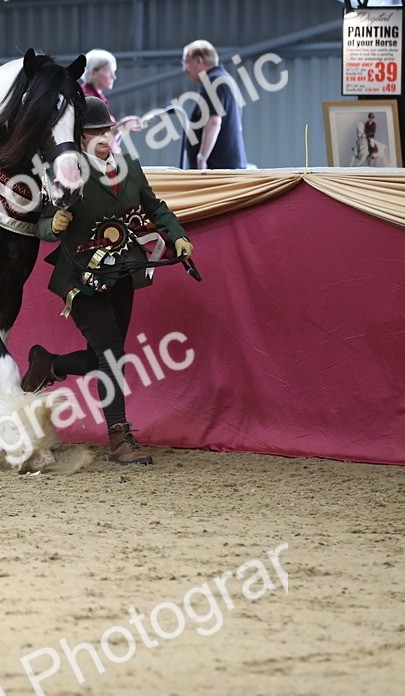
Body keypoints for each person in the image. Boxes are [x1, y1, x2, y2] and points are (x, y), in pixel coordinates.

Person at [22, 96, 194, 465]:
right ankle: (119, 438)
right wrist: (53, 225)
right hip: (81, 278)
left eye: (108, 130)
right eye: (94, 132)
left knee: (104, 355)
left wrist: (175, 234)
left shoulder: (129, 167)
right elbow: (41, 224)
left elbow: (154, 206)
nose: (103, 137)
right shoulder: (66, 173)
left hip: (123, 274)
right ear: (81, 138)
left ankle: (50, 365)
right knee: (112, 355)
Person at [179, 39, 248, 170]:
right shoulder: (226, 80)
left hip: (217, 170)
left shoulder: (213, 81)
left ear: (199, 60)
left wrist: (202, 158)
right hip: (228, 167)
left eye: (186, 61)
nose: (184, 69)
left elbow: (214, 122)